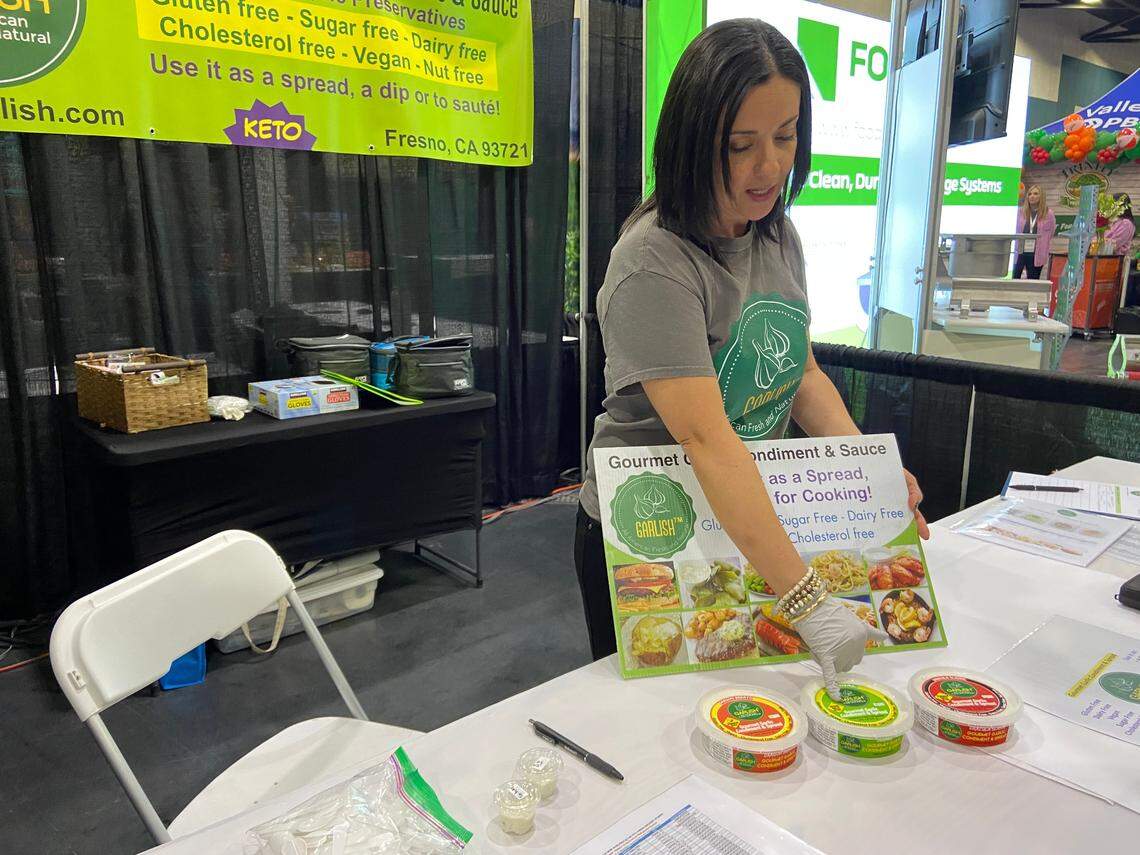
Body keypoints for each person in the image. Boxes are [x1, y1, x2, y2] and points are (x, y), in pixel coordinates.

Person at [574, 19, 928, 698]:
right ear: (691, 141)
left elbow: (803, 374)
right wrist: (806, 600)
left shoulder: (777, 233)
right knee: (668, 723)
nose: (770, 166)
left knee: (762, 710)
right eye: (741, 145)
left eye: (786, 136)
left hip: (745, 514)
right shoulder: (654, 261)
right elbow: (708, 440)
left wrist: (869, 479)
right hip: (655, 527)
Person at [1013, 185, 1055, 279]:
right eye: (1030, 194)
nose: (1032, 196)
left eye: (1036, 194)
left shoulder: (1048, 214)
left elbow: (1051, 233)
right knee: (1014, 279)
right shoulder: (1020, 212)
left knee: (1033, 282)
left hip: (1037, 253)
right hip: (1019, 252)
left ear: (1041, 196)